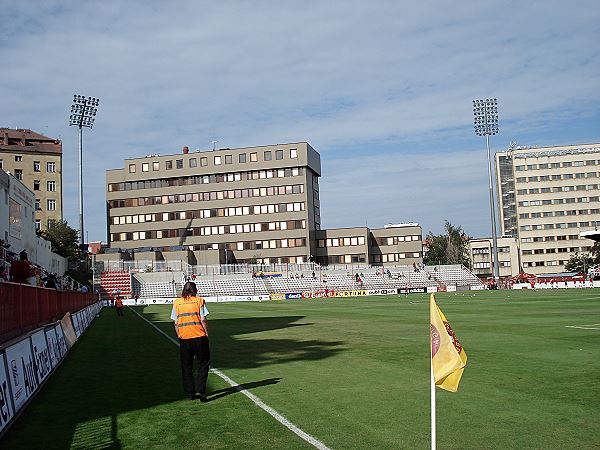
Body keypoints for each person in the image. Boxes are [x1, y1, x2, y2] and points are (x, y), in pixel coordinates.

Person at [171, 281, 210, 401]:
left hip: (185, 338)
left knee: (186, 367)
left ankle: (190, 393)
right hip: (199, 336)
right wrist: (206, 333)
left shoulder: (177, 303)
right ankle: (202, 392)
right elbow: (203, 319)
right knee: (203, 364)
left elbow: (176, 322)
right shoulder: (199, 301)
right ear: (195, 290)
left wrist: (179, 335)